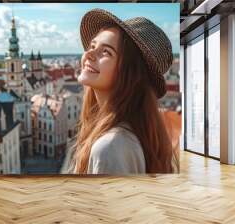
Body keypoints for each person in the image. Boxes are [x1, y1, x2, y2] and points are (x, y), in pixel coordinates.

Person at [72, 8, 178, 174]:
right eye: (92, 46)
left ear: (128, 72)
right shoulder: (125, 137)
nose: (89, 54)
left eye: (105, 51)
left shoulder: (110, 147)